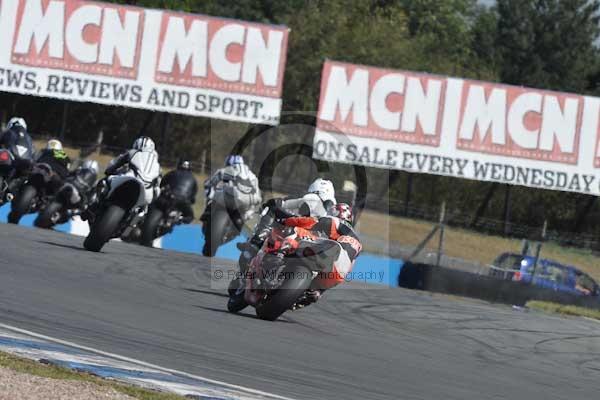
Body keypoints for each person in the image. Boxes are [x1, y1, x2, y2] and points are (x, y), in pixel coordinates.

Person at [279, 202, 362, 307]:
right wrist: (322, 290)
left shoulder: (334, 220)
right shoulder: (358, 242)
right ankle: (315, 293)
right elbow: (349, 267)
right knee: (315, 289)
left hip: (331, 251)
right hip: (340, 271)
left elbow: (308, 222)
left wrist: (286, 221)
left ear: (336, 212)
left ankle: (280, 254)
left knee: (297, 230)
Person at [238, 178, 337, 264]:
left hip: (303, 233)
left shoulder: (310, 198)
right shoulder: (333, 209)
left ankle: (257, 240)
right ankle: (259, 241)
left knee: (273, 210)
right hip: (313, 239)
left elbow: (280, 204)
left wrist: (273, 205)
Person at [104, 136, 161, 202]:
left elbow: (114, 164)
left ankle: (97, 203)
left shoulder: (132, 152)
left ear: (136, 145)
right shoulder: (158, 165)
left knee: (106, 182)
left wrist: (109, 171)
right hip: (147, 193)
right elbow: (157, 187)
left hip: (128, 179)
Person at [159, 158, 198, 223]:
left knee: (155, 204)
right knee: (190, 217)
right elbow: (193, 196)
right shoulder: (193, 179)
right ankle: (180, 218)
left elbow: (162, 184)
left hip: (169, 198)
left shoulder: (172, 173)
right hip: (183, 201)